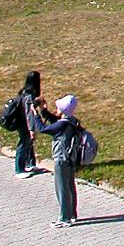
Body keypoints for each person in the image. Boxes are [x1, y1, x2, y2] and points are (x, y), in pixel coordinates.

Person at [37, 94, 83, 226]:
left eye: (58, 108)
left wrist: (35, 114)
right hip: (70, 159)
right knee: (69, 187)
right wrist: (44, 111)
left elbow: (43, 129)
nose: (56, 110)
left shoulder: (62, 125)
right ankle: (72, 214)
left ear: (63, 110)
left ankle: (64, 218)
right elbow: (55, 121)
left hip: (61, 159)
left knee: (61, 188)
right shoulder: (72, 121)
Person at [12, 71, 53, 177]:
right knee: (23, 143)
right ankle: (19, 169)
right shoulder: (29, 96)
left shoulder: (24, 92)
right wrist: (32, 130)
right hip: (24, 123)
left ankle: (30, 163)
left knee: (28, 144)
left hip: (21, 121)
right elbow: (29, 114)